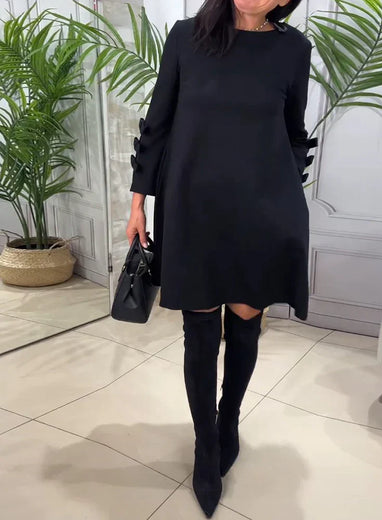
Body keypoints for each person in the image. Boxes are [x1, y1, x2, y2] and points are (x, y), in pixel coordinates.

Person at [126, 0, 317, 517]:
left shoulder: (293, 49)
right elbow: (158, 124)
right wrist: (138, 203)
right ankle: (205, 443)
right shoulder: (187, 37)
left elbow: (293, 132)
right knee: (201, 327)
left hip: (263, 209)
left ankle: (228, 418)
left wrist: (287, 201)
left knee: (246, 321)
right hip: (194, 206)